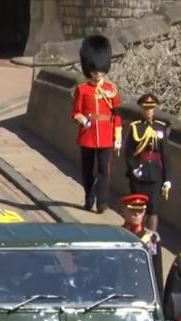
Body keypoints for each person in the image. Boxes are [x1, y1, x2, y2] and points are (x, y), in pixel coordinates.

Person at [71, 34, 121, 214]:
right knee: (87, 170)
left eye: (100, 69)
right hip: (88, 136)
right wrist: (83, 120)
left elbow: (116, 115)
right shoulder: (82, 89)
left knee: (104, 171)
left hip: (106, 135)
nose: (97, 72)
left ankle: (102, 201)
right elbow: (75, 112)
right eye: (94, 69)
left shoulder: (111, 90)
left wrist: (117, 137)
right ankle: (89, 196)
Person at [123, 93, 170, 231]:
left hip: (155, 173)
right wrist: (133, 169)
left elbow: (165, 155)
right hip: (139, 173)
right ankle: (137, 233)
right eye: (145, 109)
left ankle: (152, 237)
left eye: (151, 109)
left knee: (153, 209)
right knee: (138, 208)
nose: (148, 112)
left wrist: (167, 178)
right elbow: (129, 153)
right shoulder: (135, 127)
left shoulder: (160, 127)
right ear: (142, 109)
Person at [120, 194, 163, 293]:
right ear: (123, 211)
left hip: (143, 290)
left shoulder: (152, 238)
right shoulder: (117, 234)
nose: (137, 214)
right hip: (121, 288)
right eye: (132, 210)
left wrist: (159, 296)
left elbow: (157, 272)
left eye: (140, 211)